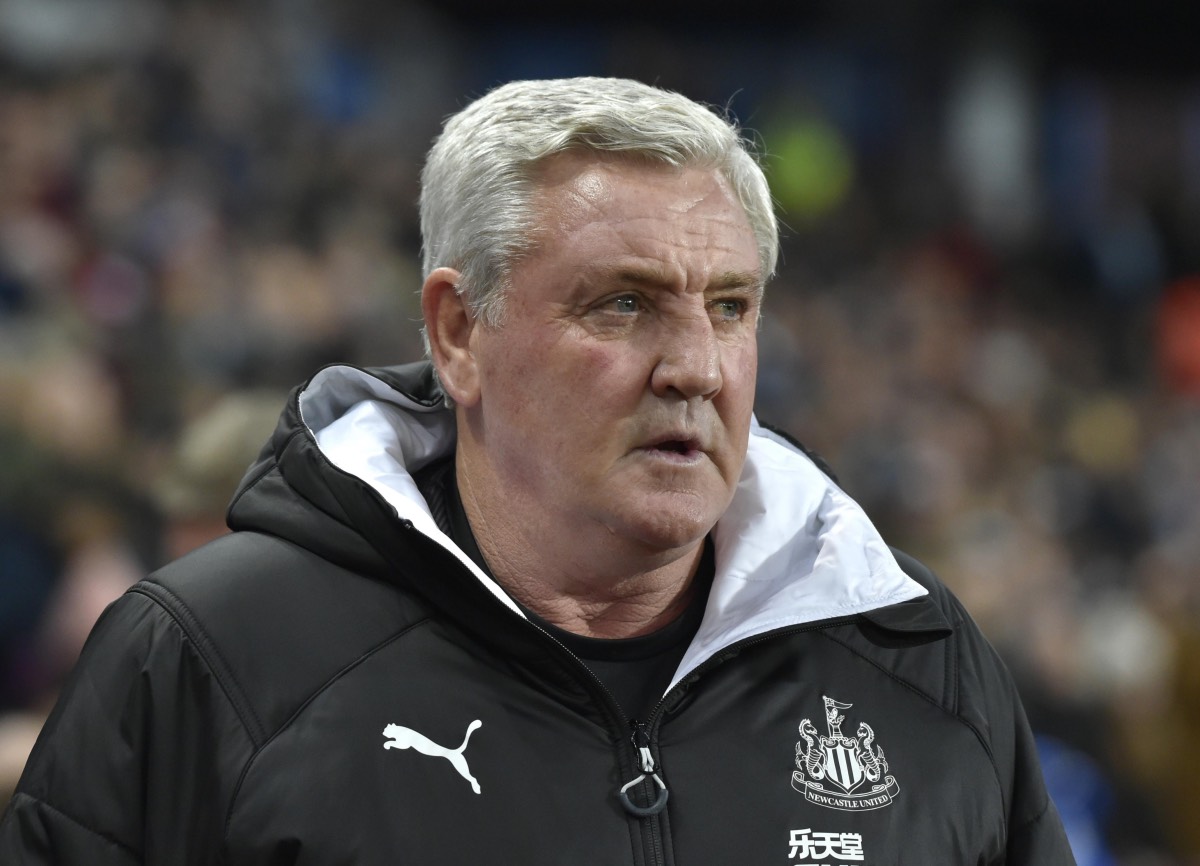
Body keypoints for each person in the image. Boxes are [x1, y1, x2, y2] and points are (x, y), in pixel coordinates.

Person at [0, 77, 1075, 864]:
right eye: (625, 302)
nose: (698, 365)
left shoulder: (920, 661)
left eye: (732, 307)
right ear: (460, 332)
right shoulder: (209, 659)